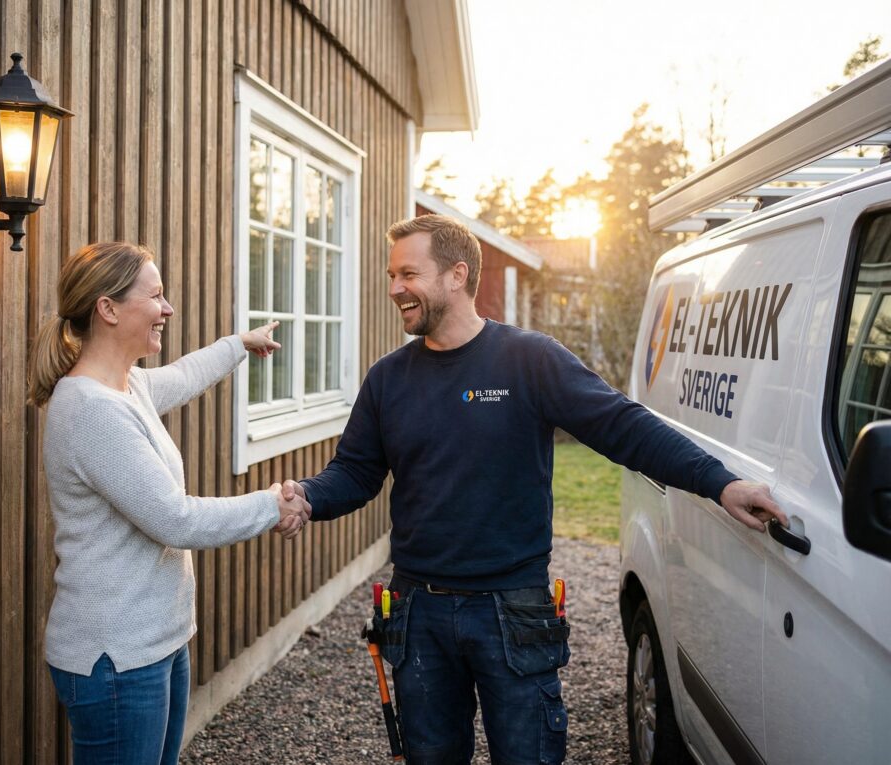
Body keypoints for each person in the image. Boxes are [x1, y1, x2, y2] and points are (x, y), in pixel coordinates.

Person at [281, 214, 786, 765]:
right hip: (418, 612)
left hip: (513, 608)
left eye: (408, 273)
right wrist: (309, 496)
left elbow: (623, 426)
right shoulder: (388, 379)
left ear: (456, 275)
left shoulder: (529, 360)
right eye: (392, 275)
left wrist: (720, 483)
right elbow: (355, 472)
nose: (394, 288)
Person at [28, 241, 311, 765]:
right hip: (115, 656)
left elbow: (182, 377)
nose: (168, 308)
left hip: (154, 642)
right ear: (108, 309)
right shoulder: (92, 410)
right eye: (155, 296)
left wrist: (238, 344)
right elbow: (175, 520)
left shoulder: (126, 387)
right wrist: (272, 505)